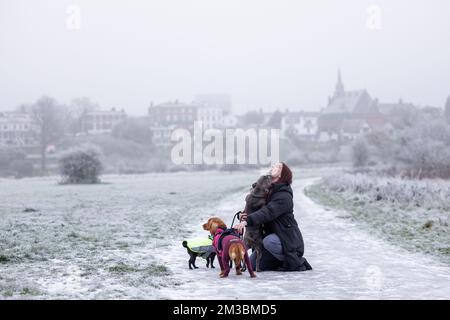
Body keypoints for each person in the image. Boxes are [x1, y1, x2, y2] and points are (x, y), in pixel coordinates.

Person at [234, 162, 312, 271]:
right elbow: (255, 209)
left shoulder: (284, 195)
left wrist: (248, 221)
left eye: (278, 166)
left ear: (282, 174)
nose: (273, 167)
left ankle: (292, 261)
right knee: (251, 265)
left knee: (269, 241)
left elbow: (267, 212)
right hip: (268, 239)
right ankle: (276, 261)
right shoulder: (267, 190)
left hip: (286, 240)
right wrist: (244, 215)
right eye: (273, 165)